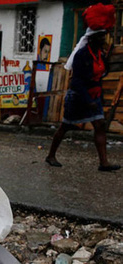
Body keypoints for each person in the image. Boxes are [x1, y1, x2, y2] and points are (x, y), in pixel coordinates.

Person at [46, 4, 119, 172]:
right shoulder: (82, 55)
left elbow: (100, 76)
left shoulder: (100, 55)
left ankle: (104, 162)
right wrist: (88, 100)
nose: (103, 39)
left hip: (93, 95)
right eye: (100, 36)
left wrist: (98, 98)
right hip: (79, 97)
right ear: (92, 38)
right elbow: (77, 82)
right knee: (66, 126)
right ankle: (51, 155)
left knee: (100, 125)